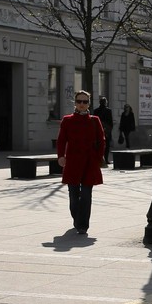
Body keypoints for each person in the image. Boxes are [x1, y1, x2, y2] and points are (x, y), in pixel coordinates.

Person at [57, 90, 105, 235]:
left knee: (86, 194)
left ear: (89, 103)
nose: (82, 104)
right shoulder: (67, 120)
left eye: (85, 102)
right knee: (73, 195)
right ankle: (77, 219)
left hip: (90, 162)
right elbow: (61, 140)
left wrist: (98, 158)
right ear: (75, 103)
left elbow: (102, 140)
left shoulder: (94, 120)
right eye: (79, 101)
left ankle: (82, 225)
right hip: (72, 161)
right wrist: (61, 156)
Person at [93, 96, 114, 163]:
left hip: (98, 130)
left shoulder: (96, 111)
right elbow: (111, 122)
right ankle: (106, 159)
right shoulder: (108, 111)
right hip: (106, 130)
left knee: (98, 145)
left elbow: (94, 122)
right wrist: (109, 130)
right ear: (106, 103)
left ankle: (99, 158)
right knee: (107, 146)